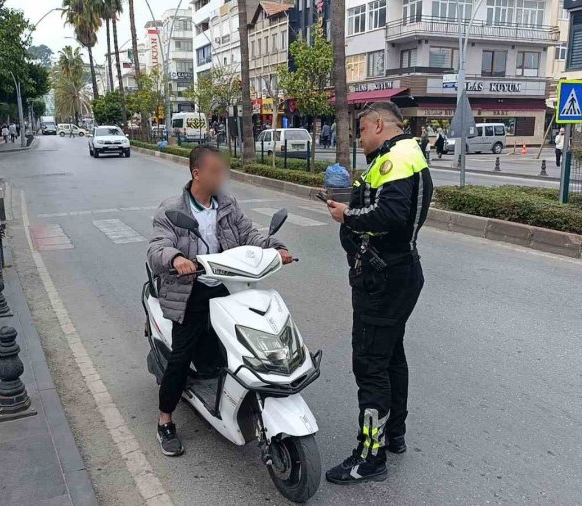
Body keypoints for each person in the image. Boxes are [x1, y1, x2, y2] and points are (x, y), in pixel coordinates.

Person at [147, 145, 295, 457]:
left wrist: (276, 249)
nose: (221, 177)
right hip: (189, 291)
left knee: (243, 343)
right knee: (181, 356)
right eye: (215, 171)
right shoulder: (173, 209)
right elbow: (157, 246)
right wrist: (175, 259)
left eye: (222, 170)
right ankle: (165, 421)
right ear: (196, 173)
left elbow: (249, 235)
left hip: (226, 286)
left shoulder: (226, 204)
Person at [323, 101, 432, 485]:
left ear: (380, 125)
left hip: (384, 279)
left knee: (370, 366)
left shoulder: (397, 158)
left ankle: (370, 457)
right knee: (390, 358)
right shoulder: (402, 155)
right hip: (397, 272)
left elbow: (390, 216)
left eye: (362, 131)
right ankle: (394, 434)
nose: (360, 139)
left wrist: (346, 216)